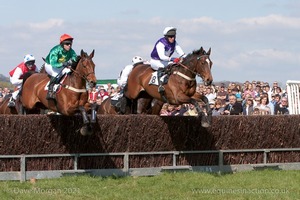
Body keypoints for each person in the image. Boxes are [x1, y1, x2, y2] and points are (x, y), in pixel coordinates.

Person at [150, 27, 185, 92]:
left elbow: (181, 53)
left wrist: (186, 58)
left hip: (165, 61)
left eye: (174, 36)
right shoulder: (161, 43)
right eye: (171, 37)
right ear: (166, 37)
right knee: (165, 66)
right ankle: (160, 86)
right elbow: (162, 57)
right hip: (156, 61)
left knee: (176, 66)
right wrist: (172, 59)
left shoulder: (174, 43)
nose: (173, 38)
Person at [44, 33, 78, 100]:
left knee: (69, 72)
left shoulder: (71, 51)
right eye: (67, 44)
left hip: (62, 66)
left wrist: (72, 61)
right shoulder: (55, 50)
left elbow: (75, 57)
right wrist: (63, 64)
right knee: (56, 73)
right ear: (62, 44)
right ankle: (50, 90)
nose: (69, 46)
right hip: (50, 65)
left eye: (70, 44)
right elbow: (53, 63)